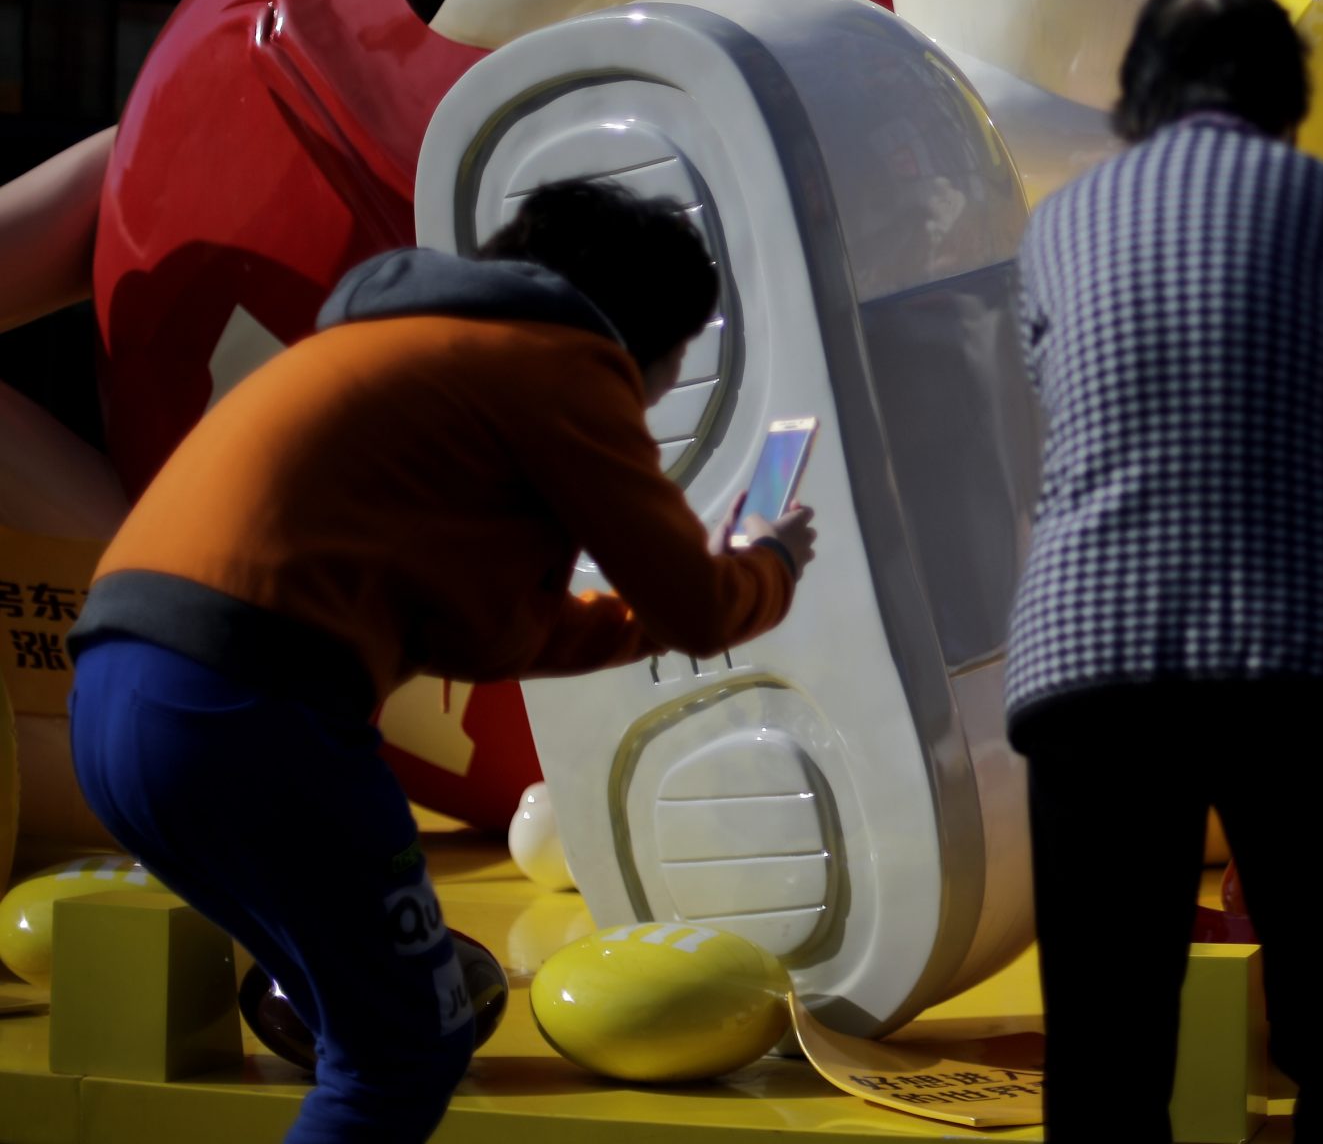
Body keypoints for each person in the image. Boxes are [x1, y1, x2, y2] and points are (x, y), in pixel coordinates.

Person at [65, 180, 815, 1144]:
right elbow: (698, 603)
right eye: (677, 356)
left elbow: (490, 636)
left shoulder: (389, 349)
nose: (662, 388)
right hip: (256, 711)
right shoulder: (561, 358)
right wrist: (771, 565)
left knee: (367, 1028)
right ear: (648, 333)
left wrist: (673, 603)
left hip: (119, 697)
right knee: (403, 1053)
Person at [1005, 0, 1323, 1143]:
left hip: (1088, 654)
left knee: (1105, 1038)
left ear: (1135, 100)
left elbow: (1063, 414)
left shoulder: (1057, 226)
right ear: (1289, 97)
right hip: (1302, 654)